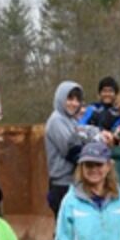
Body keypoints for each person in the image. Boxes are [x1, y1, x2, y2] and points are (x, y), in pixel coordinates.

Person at [44, 81, 105, 215]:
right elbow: (71, 151)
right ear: (61, 98)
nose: (74, 103)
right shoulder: (57, 120)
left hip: (75, 181)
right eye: (70, 99)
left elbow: (86, 137)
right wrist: (92, 152)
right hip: (62, 184)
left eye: (78, 100)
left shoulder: (71, 120)